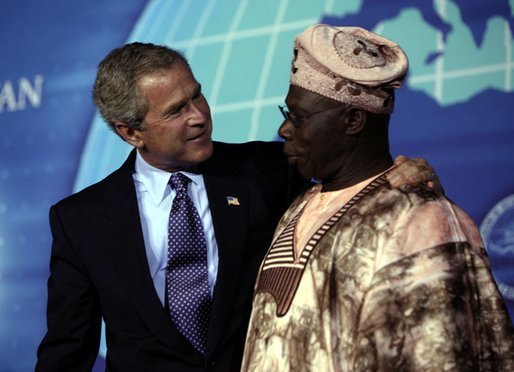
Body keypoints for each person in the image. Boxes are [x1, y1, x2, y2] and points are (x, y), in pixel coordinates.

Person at [36, 42, 440, 371]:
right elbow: (67, 351)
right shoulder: (81, 221)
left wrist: (401, 177)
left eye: (197, 96)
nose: (199, 117)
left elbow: (353, 179)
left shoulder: (268, 170)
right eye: (176, 110)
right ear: (130, 132)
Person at [241, 25, 514, 371]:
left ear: (353, 119)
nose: (284, 130)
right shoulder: (298, 204)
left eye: (298, 117)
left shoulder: (419, 218)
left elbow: (442, 358)